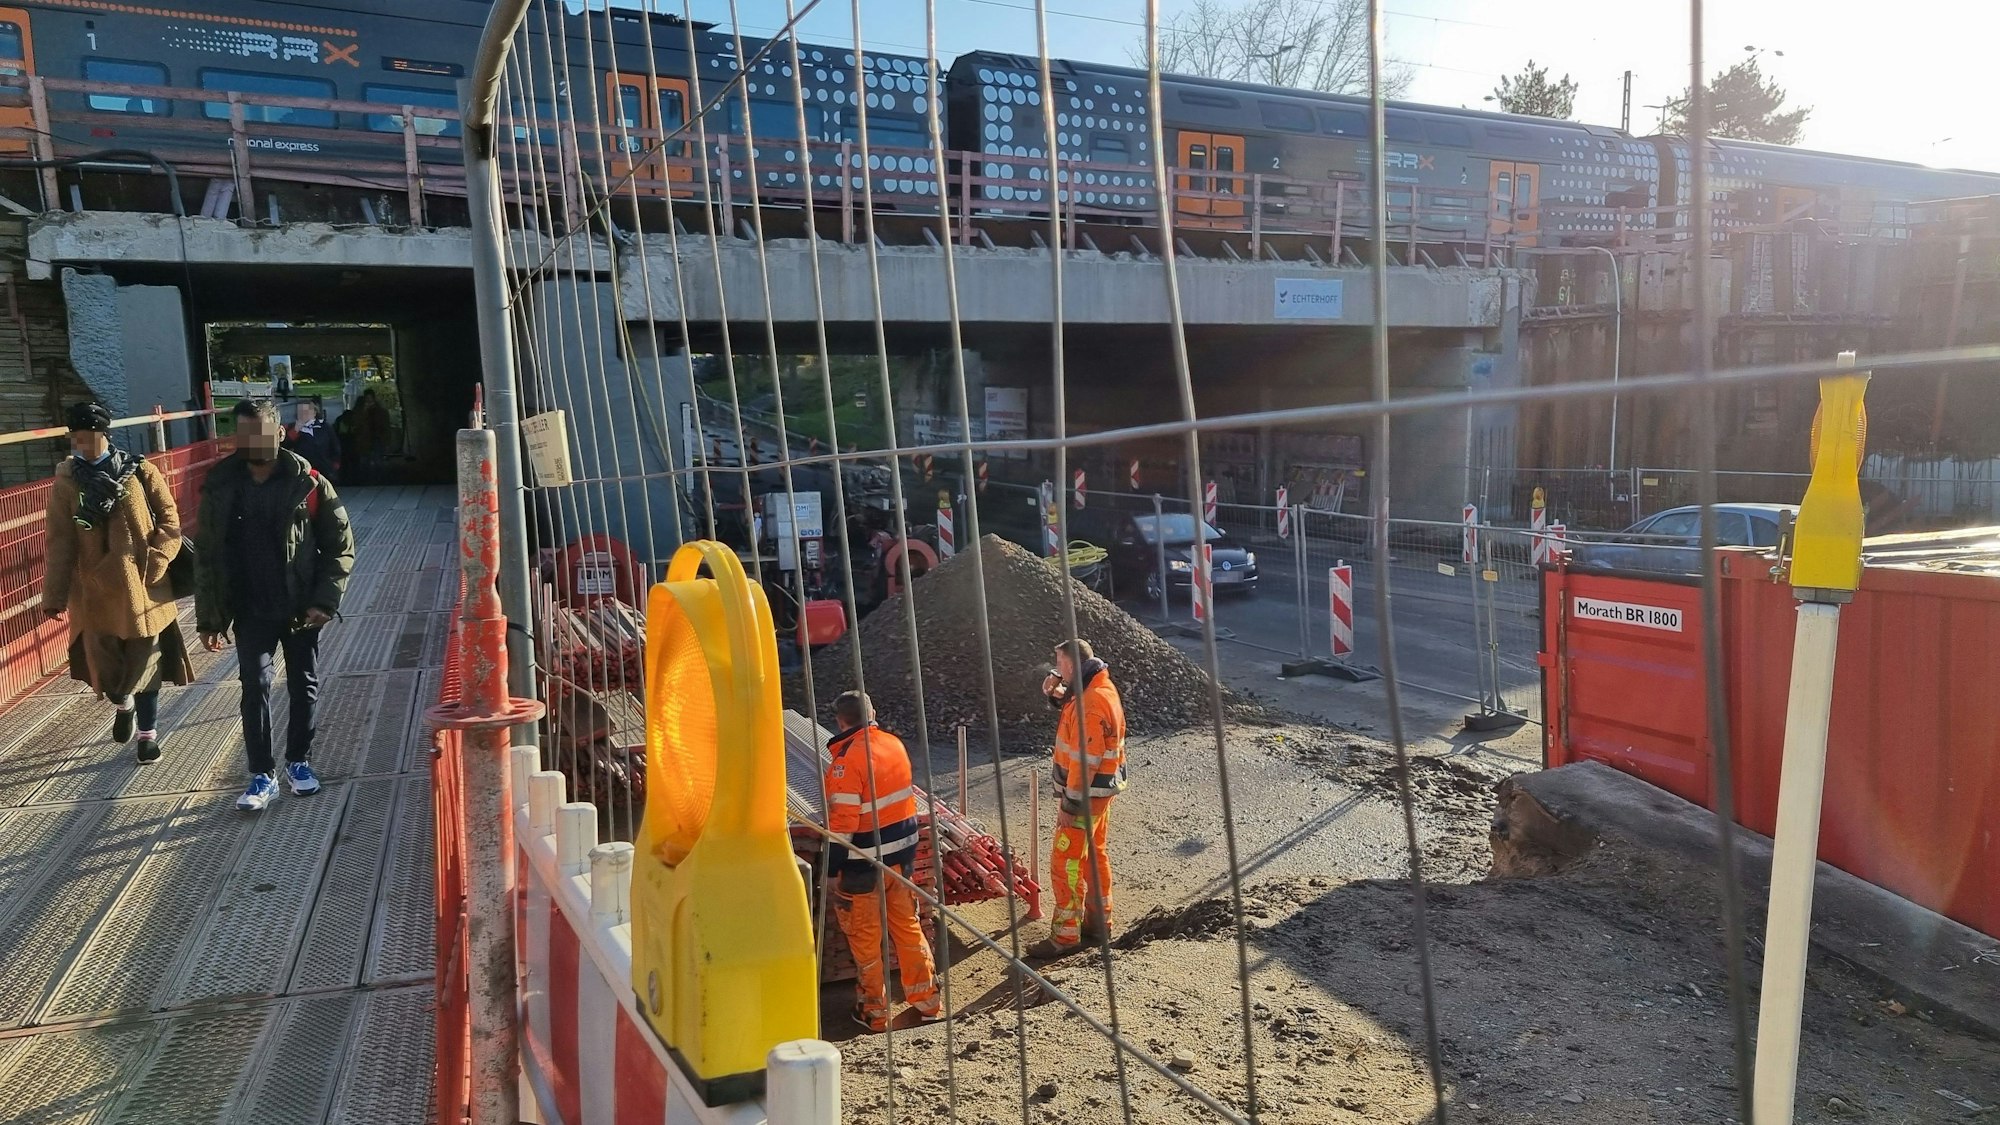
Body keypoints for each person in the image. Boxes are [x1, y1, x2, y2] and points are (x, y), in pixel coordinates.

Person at [196, 399, 354, 812]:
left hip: (301, 605)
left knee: (303, 684)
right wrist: (210, 618)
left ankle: (299, 761)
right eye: (245, 434)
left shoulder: (309, 482)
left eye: (262, 433)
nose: (254, 442)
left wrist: (325, 600)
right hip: (250, 606)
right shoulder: (221, 484)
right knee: (255, 685)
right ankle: (261, 774)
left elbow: (340, 545)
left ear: (280, 434)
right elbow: (207, 555)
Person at [42, 401, 194, 763]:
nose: (83, 445)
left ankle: (148, 736)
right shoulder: (67, 481)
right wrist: (54, 595)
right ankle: (123, 704)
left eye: (89, 437)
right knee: (110, 672)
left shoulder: (139, 471)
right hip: (94, 592)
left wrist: (158, 560)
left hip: (143, 587)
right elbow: (60, 540)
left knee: (146, 663)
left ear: (105, 434)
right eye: (77, 438)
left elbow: (169, 518)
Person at [825, 690, 941, 1032]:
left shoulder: (846, 762)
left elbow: (842, 826)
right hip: (901, 862)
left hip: (862, 868)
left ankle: (874, 1013)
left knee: (866, 939)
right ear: (872, 713)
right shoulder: (894, 744)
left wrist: (830, 871)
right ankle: (928, 1002)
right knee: (907, 928)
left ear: (841, 721)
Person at [1028, 638, 1127, 959]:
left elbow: (1085, 761)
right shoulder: (1098, 688)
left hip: (1084, 797)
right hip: (1099, 794)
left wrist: (1070, 805)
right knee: (1094, 857)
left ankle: (1065, 937)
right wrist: (1059, 695)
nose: (1057, 668)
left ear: (1071, 663)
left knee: (1065, 862)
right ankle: (1099, 925)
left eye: (1059, 662)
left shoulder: (1091, 704)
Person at [286, 398, 340, 481]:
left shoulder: (324, 426)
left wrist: (335, 464)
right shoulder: (292, 428)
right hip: (303, 470)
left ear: (314, 412)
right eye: (301, 411)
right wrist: (296, 429)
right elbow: (286, 445)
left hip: (325, 469)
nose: (304, 414)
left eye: (307, 411)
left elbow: (335, 445)